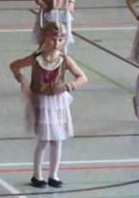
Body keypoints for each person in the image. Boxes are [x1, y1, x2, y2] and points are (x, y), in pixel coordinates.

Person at [10, 22, 87, 188]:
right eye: (53, 39)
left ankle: (54, 175)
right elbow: (14, 65)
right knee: (44, 140)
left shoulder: (64, 60)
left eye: (60, 39)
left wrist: (67, 86)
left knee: (57, 140)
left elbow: (82, 77)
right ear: (45, 38)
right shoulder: (36, 59)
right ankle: (37, 175)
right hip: (42, 102)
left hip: (57, 102)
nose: (57, 43)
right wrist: (22, 80)